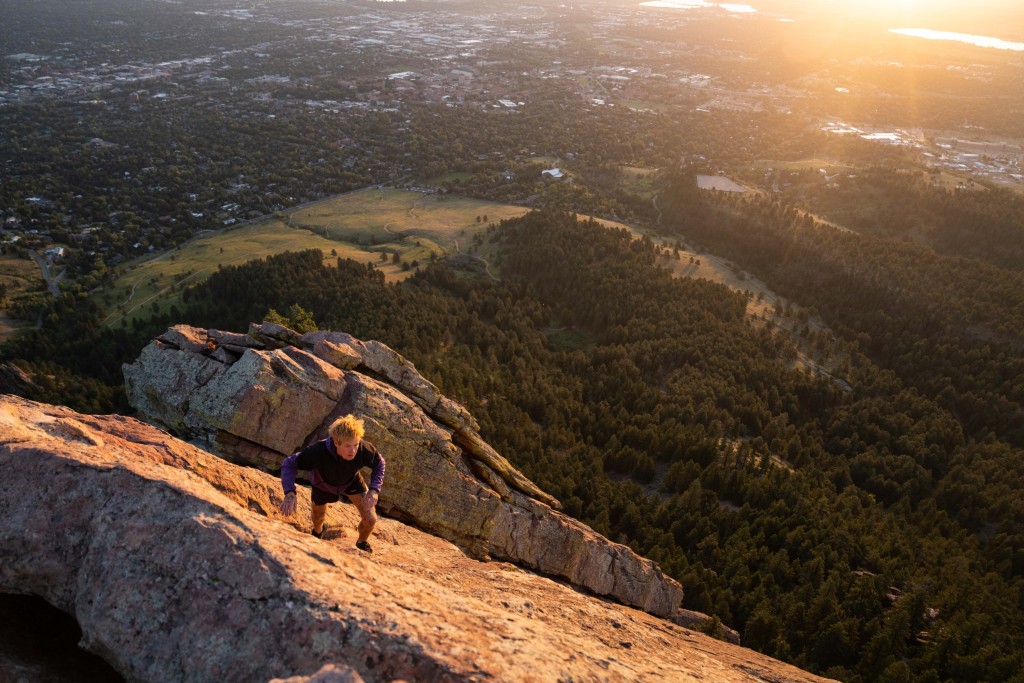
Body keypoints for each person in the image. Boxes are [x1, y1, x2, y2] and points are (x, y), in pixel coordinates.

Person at [278, 414, 385, 552]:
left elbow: (379, 463)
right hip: (323, 484)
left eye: (356, 444)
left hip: (351, 481)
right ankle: (318, 532)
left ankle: (361, 542)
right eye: (347, 446)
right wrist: (290, 492)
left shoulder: (364, 448)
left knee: (371, 519)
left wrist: (374, 489)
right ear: (336, 442)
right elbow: (289, 463)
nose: (353, 451)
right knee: (318, 518)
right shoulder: (318, 451)